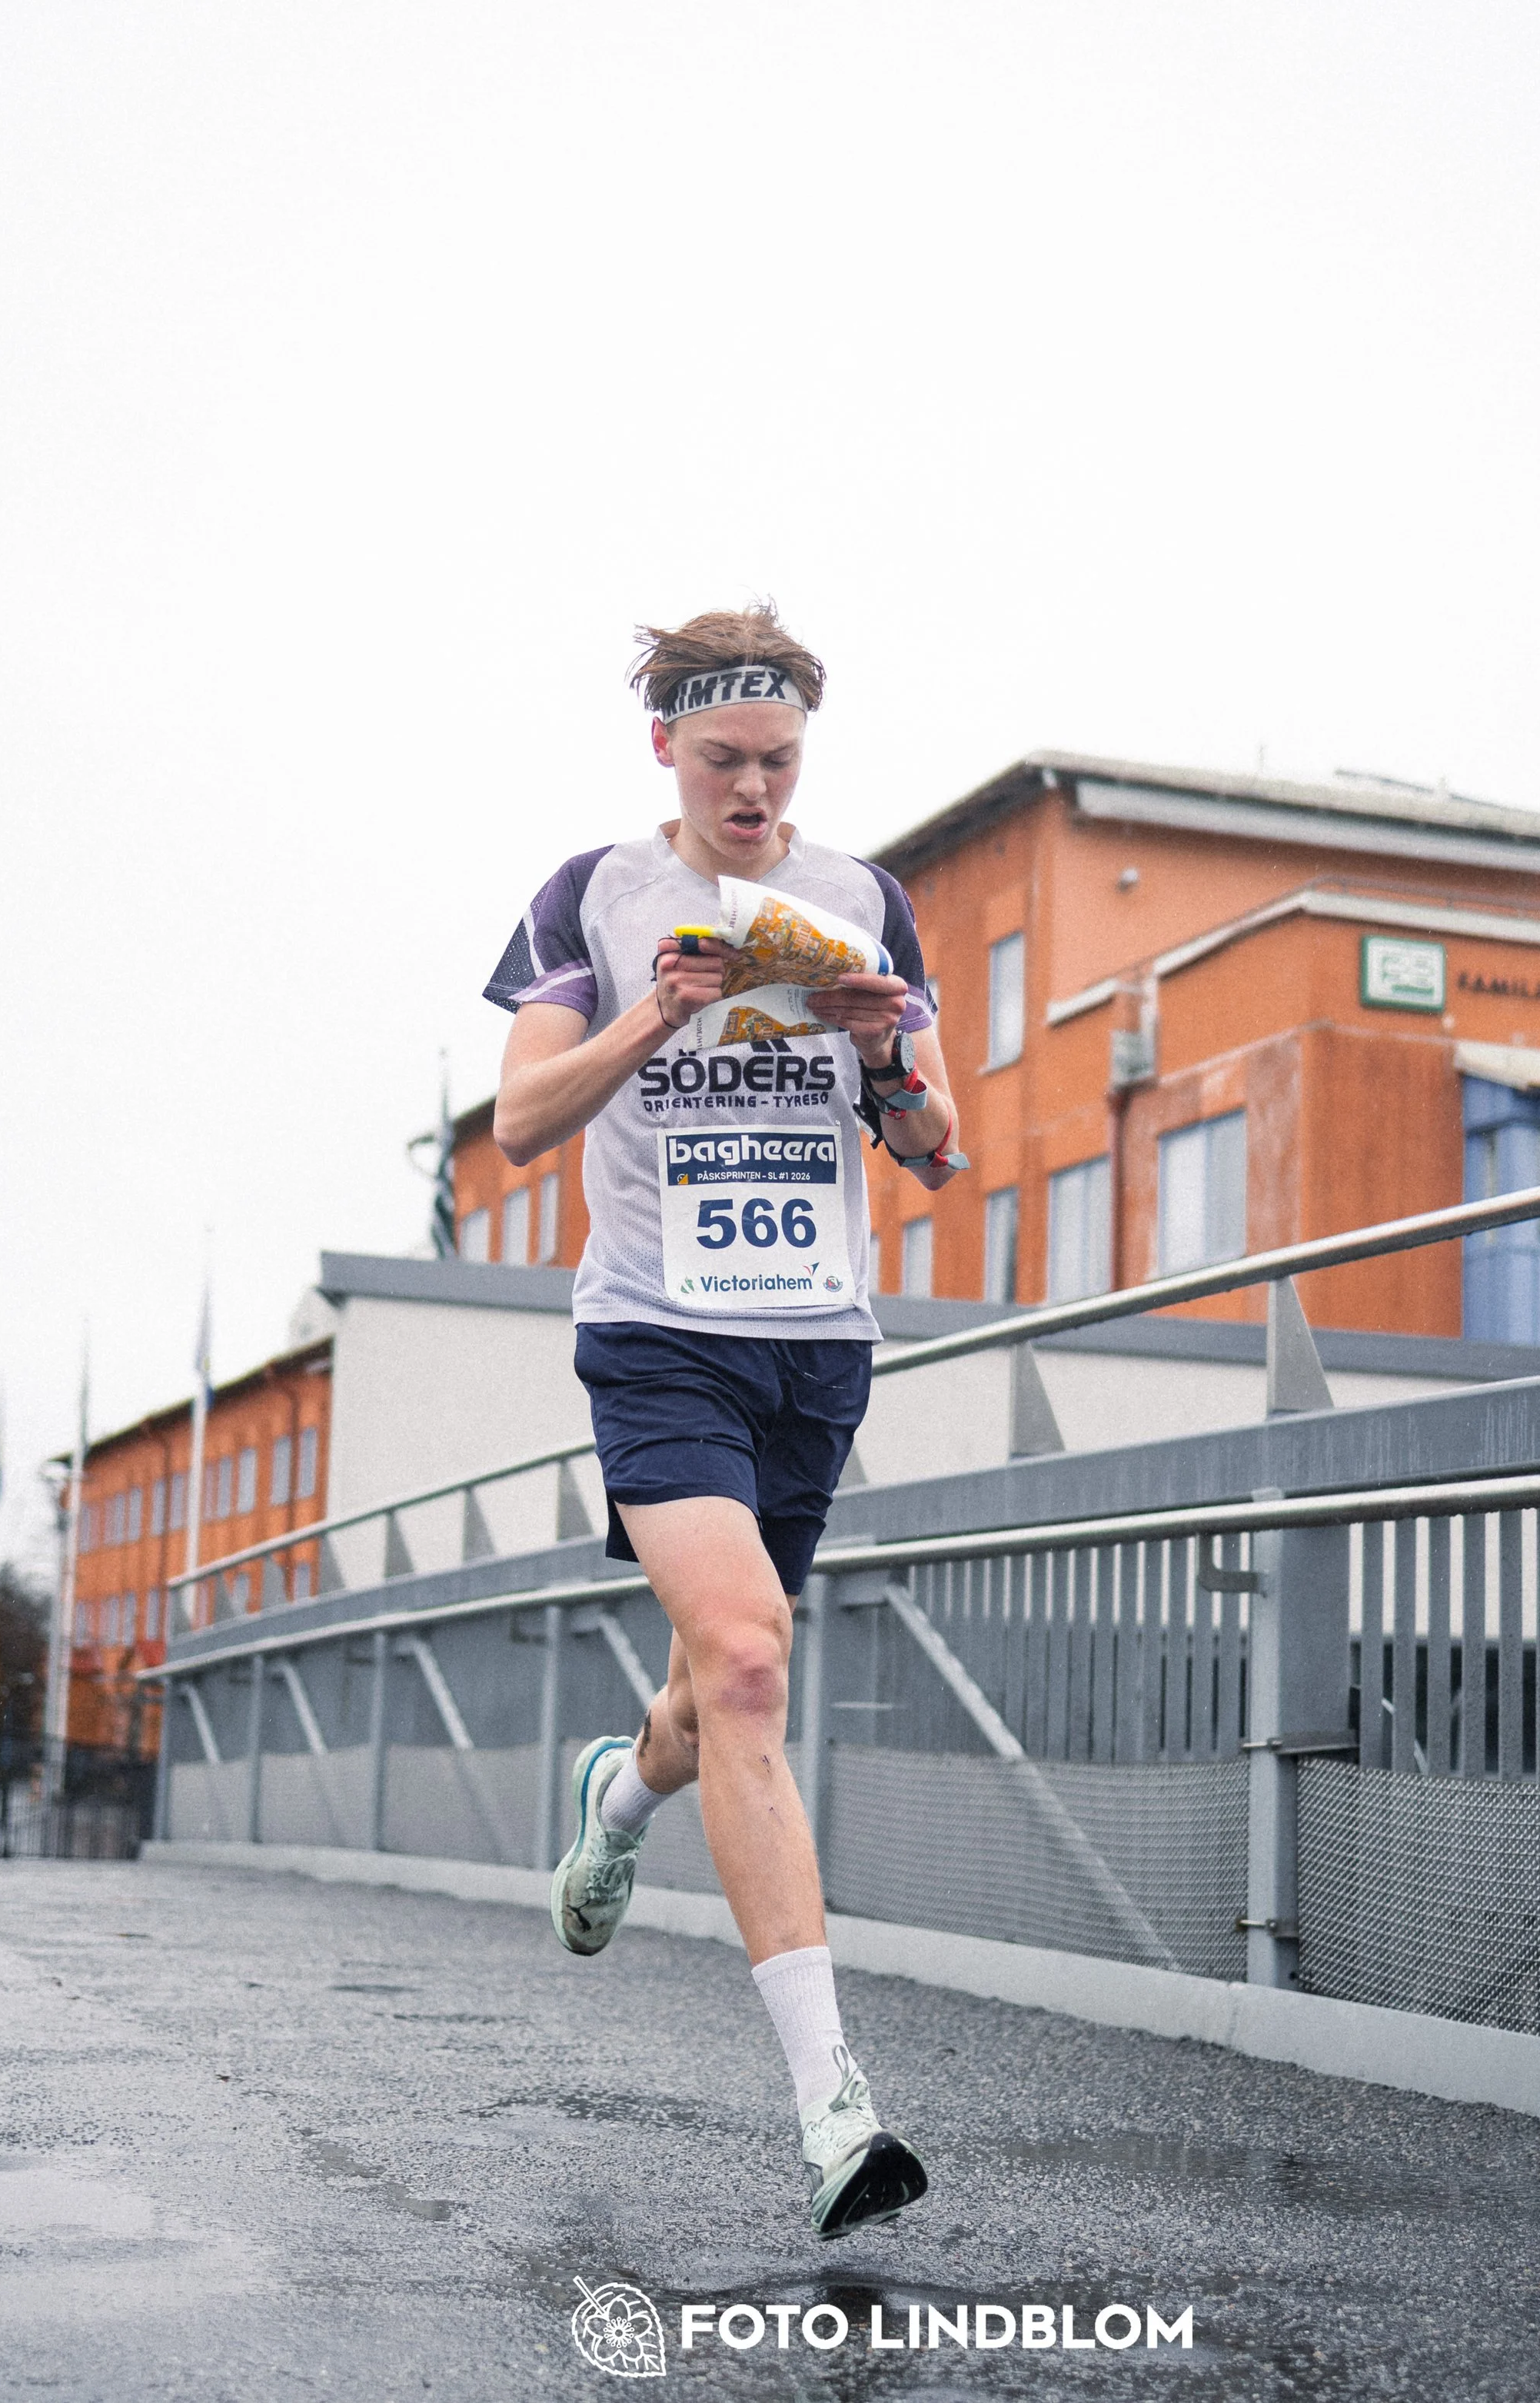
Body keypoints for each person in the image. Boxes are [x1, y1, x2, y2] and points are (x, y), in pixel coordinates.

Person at [484, 604, 964, 2238]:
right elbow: (521, 1121)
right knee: (753, 1661)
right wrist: (652, 1015)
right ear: (664, 751)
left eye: (778, 763)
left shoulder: (856, 898)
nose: (752, 792)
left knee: (710, 1692)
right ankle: (836, 2109)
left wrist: (885, 1055)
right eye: (722, 762)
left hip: (811, 1345)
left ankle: (618, 1795)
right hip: (654, 1336)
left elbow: (940, 1144)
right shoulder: (590, 897)